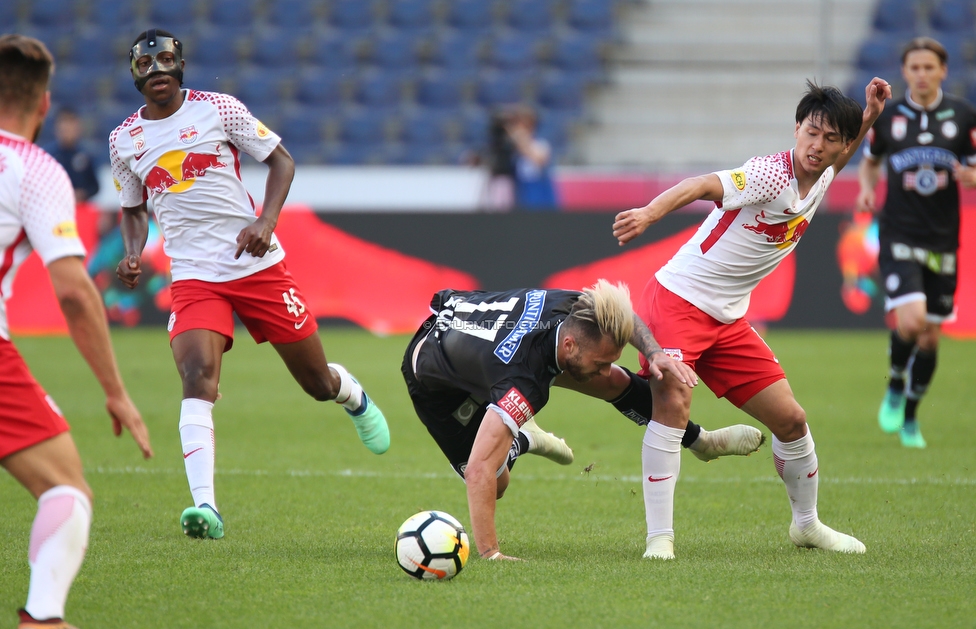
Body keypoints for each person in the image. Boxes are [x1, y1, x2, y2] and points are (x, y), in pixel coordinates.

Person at [110, 29, 390, 540]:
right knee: (197, 375)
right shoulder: (123, 140)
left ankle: (349, 394)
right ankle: (206, 509)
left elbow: (281, 160)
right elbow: (133, 211)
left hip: (255, 265)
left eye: (167, 61)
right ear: (134, 74)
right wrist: (132, 253)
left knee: (314, 384)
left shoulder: (220, 109)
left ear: (182, 66)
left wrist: (266, 221)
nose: (158, 73)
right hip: (194, 275)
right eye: (147, 66)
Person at [613, 78, 892, 559]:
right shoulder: (771, 174)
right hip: (677, 299)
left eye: (829, 139)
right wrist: (649, 213)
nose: (816, 146)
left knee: (791, 419)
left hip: (727, 319)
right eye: (810, 132)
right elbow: (701, 185)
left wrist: (869, 116)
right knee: (673, 401)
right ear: (797, 128)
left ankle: (807, 526)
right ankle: (659, 539)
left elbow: (842, 157)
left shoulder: (824, 171)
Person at [402, 281, 764, 561]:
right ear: (571, 345)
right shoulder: (524, 381)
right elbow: (480, 470)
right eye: (601, 360)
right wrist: (490, 553)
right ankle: (523, 439)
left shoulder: (574, 308)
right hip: (437, 384)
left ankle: (700, 441)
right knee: (495, 482)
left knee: (616, 383)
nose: (606, 368)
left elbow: (623, 319)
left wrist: (653, 353)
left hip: (481, 343)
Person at [0, 34, 152, 629]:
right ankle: (42, 620)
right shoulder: (35, 170)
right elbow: (73, 292)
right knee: (66, 488)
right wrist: (116, 392)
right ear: (43, 106)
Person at [855, 37, 976, 449]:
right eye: (915, 68)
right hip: (899, 232)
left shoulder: (962, 116)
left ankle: (909, 415)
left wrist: (972, 178)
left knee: (929, 337)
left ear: (943, 71)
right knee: (911, 321)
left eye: (930, 67)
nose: (922, 74)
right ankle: (895, 385)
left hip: (943, 238)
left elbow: (975, 168)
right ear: (904, 72)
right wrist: (867, 190)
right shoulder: (890, 119)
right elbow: (869, 162)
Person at [507, 105, 559, 209]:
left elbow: (539, 160)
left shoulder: (541, 143)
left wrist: (521, 140)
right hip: (520, 187)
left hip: (537, 187)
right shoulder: (512, 146)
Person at [45, 107, 100, 203]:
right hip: (54, 207)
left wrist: (83, 193)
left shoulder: (85, 155)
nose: (67, 129)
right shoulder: (47, 156)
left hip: (79, 209)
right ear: (57, 128)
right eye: (64, 126)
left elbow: (94, 187)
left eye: (71, 125)